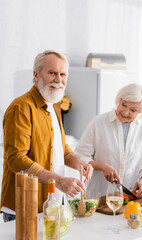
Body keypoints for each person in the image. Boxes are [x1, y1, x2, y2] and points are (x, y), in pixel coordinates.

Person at [1, 50, 93, 222]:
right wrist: (58, 181)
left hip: (50, 204)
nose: (58, 80)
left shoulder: (54, 104)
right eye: (52, 73)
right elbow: (16, 159)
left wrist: (79, 163)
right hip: (23, 209)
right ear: (36, 75)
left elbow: (60, 147)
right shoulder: (20, 108)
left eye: (63, 74)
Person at [75, 83, 142, 199]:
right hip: (98, 197)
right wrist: (101, 166)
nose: (125, 112)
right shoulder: (98, 123)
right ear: (119, 100)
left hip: (130, 198)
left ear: (140, 111)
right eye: (123, 105)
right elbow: (80, 156)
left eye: (133, 110)